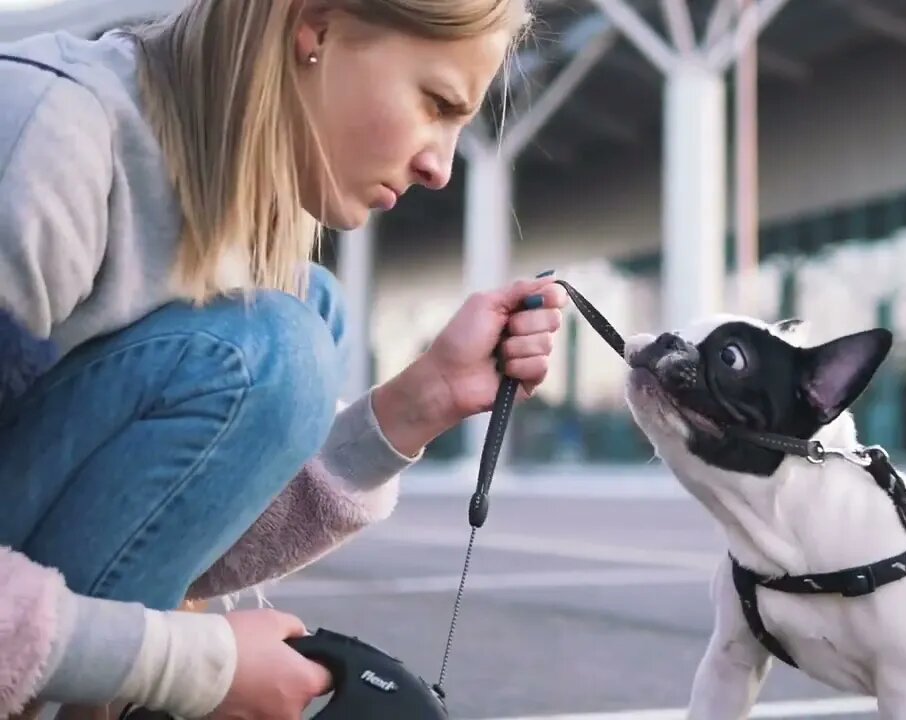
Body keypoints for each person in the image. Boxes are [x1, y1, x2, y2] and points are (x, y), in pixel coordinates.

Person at [0, 1, 568, 718]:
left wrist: (420, 402)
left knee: (306, 311)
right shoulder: (45, 138)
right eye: (435, 103)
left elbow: (163, 542)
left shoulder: (247, 224)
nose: (439, 168)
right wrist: (193, 668)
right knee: (274, 346)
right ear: (319, 28)